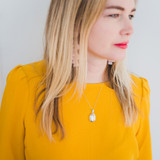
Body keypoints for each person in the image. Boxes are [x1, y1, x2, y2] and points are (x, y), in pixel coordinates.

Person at [0, 0, 152, 159]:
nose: (130, 29)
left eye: (131, 15)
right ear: (75, 19)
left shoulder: (137, 92)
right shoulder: (26, 84)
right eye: (114, 14)